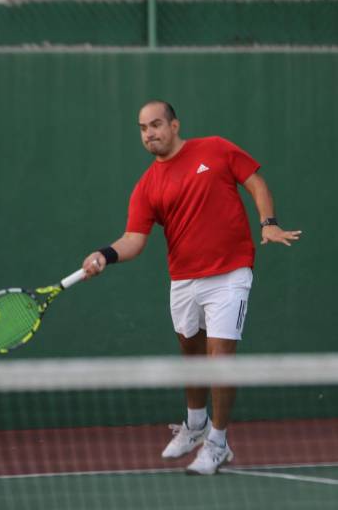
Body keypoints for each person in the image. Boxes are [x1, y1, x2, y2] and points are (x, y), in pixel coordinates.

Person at [81, 100, 301, 475]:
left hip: (230, 273)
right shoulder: (147, 185)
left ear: (175, 125)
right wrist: (105, 255)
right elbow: (134, 239)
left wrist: (268, 222)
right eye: (142, 128)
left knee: (221, 359)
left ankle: (217, 442)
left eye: (156, 125)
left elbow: (254, 180)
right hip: (183, 279)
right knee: (191, 353)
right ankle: (195, 425)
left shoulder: (214, 149)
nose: (149, 133)